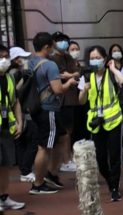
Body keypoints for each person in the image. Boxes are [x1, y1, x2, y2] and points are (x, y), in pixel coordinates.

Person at [27, 32, 76, 195]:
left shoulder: (30, 62)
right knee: (45, 147)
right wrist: (69, 82)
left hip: (37, 108)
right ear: (47, 46)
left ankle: (51, 174)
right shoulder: (49, 65)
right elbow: (58, 89)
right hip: (48, 109)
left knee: (62, 138)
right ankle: (38, 184)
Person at [78, 45, 123, 202]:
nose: (95, 60)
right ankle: (110, 180)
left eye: (98, 57)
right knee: (100, 157)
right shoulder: (87, 76)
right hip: (96, 122)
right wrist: (84, 90)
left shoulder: (111, 74)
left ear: (105, 59)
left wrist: (113, 69)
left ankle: (115, 188)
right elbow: (81, 100)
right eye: (92, 58)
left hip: (114, 119)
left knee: (114, 155)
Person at [50, 32, 80, 174]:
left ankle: (67, 158)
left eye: (65, 40)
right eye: (59, 41)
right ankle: (64, 160)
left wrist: (70, 75)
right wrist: (70, 75)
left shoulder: (68, 57)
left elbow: (76, 73)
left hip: (72, 99)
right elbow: (61, 75)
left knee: (70, 131)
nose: (63, 43)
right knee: (64, 132)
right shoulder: (52, 59)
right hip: (61, 100)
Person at [0, 45, 25, 212]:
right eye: (0, 56)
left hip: (5, 127)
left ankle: (3, 196)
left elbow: (15, 102)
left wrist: (19, 122)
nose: (4, 60)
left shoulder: (9, 78)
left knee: (5, 164)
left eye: (5, 56)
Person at [8, 47, 35, 184]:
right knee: (27, 141)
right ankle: (25, 170)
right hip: (18, 113)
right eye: (20, 57)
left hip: (24, 111)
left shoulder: (20, 72)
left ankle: (26, 169)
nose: (23, 60)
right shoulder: (12, 74)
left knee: (26, 140)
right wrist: (23, 78)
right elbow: (15, 94)